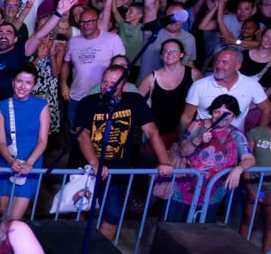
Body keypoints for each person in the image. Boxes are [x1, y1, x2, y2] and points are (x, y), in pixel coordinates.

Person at [77, 64, 175, 241]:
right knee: (78, 213)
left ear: (124, 85)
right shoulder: (88, 103)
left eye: (113, 83)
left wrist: (164, 160)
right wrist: (95, 163)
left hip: (117, 171)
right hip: (87, 170)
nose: (108, 86)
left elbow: (151, 131)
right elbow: (82, 134)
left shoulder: (134, 101)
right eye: (105, 81)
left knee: (112, 216)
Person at [170, 94, 254, 223]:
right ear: (211, 112)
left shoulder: (236, 135)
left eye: (227, 113)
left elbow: (249, 158)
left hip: (212, 195)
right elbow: (183, 151)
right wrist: (197, 140)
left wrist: (238, 169)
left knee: (200, 232)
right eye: (217, 111)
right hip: (182, 190)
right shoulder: (197, 125)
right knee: (171, 227)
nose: (221, 116)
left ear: (234, 116)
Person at [0, 65, 51, 220]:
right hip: (7, 162)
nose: (22, 86)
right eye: (19, 81)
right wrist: (11, 160)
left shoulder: (41, 106)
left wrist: (29, 163)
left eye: (28, 83)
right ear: (13, 82)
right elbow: (1, 142)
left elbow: (42, 140)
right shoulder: (2, 106)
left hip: (30, 165)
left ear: (34, 85)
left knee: (14, 219)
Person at [180, 47, 270, 136]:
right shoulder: (199, 86)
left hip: (234, 141)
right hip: (203, 140)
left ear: (237, 66)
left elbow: (267, 108)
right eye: (217, 61)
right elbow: (186, 118)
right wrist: (183, 141)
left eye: (224, 62)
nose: (218, 66)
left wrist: (259, 135)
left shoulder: (251, 85)